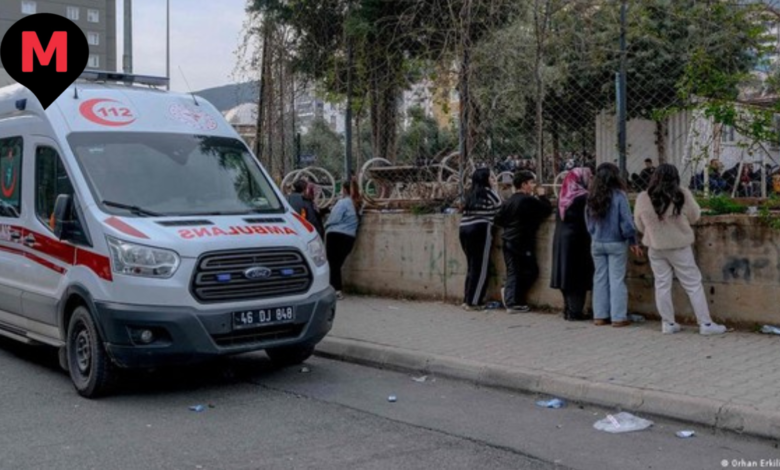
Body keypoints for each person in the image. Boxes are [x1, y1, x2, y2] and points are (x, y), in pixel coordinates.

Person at [634, 164, 727, 335]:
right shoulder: (682, 194)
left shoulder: (643, 197)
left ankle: (668, 323)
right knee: (693, 284)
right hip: (679, 246)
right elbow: (695, 216)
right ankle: (705, 324)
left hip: (655, 246)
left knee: (662, 284)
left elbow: (639, 224)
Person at [586, 163, 642, 327]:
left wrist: (594, 234)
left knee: (599, 278)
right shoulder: (619, 196)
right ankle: (618, 317)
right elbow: (627, 222)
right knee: (617, 280)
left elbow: (588, 221)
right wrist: (633, 241)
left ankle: (600, 315)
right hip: (616, 242)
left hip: (597, 242)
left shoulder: (591, 196)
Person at [495, 170, 553, 313]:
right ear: (524, 184)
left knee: (514, 271)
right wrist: (542, 195)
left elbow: (498, 219)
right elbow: (546, 209)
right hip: (521, 241)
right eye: (531, 183)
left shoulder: (509, 201)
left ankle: (513, 298)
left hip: (509, 240)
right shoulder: (527, 200)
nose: (533, 185)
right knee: (530, 271)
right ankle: (512, 301)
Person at [550, 167, 594, 321]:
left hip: (562, 241)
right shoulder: (584, 197)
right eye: (589, 177)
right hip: (578, 241)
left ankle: (568, 309)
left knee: (565, 275)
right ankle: (575, 312)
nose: (591, 179)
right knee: (578, 276)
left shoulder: (564, 196)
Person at [458, 168, 502, 310]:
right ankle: (474, 302)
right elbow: (499, 208)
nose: (493, 180)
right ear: (485, 179)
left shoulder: (469, 194)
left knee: (472, 265)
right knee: (481, 267)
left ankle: (467, 299)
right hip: (481, 229)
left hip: (464, 229)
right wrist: (495, 189)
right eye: (491, 177)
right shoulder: (489, 193)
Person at [325, 179, 362, 300]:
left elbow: (334, 218)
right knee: (337, 264)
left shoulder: (343, 202)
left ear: (345, 190)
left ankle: (335, 289)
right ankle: (336, 289)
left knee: (332, 263)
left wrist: (325, 225)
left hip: (335, 235)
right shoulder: (358, 203)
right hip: (349, 237)